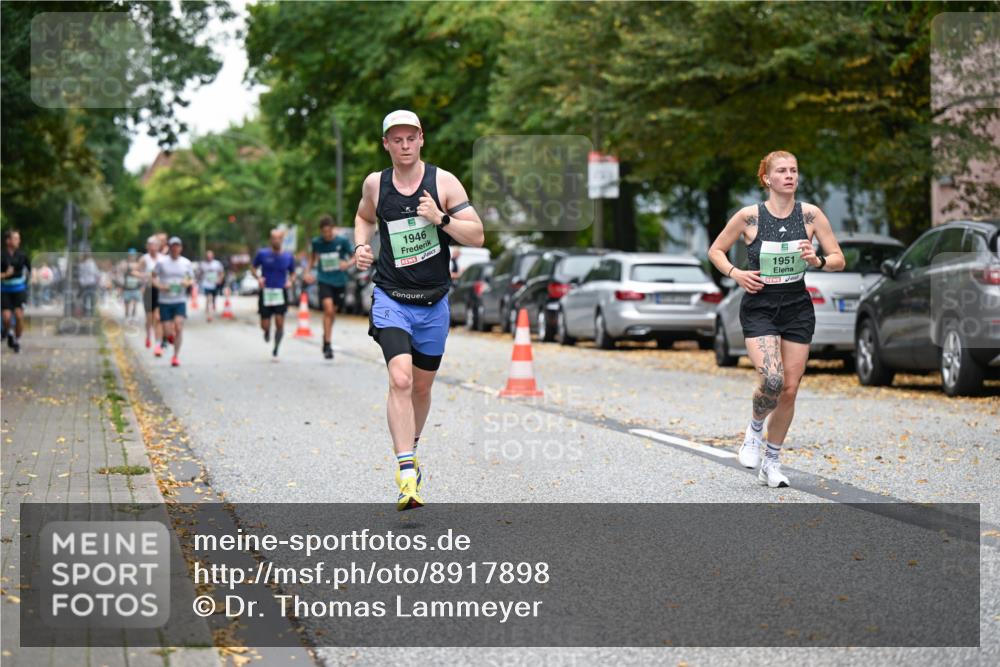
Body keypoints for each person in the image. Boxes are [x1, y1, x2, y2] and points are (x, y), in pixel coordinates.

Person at [354, 110, 484, 511]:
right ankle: (406, 470)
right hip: (392, 298)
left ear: (421, 139)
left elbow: (477, 235)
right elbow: (362, 217)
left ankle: (411, 448)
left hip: (434, 303)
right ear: (386, 144)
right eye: (397, 139)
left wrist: (440, 218)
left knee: (422, 388)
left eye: (411, 138)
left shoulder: (442, 182)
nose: (405, 145)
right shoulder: (376, 184)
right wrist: (361, 246)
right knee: (401, 378)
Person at [708, 150, 844, 488]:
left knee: (789, 389)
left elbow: (839, 258)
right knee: (771, 379)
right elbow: (715, 250)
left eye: (794, 170)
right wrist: (736, 273)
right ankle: (754, 430)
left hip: (797, 305)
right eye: (781, 171)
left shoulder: (811, 215)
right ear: (767, 178)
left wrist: (818, 260)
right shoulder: (749, 217)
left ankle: (772, 461)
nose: (789, 176)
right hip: (760, 305)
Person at [305, 216, 355, 359]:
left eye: (329, 231)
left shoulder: (342, 241)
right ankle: (327, 343)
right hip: (324, 279)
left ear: (332, 229)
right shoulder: (316, 242)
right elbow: (312, 259)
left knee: (332, 312)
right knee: (327, 309)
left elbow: (355, 256)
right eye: (324, 232)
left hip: (339, 281)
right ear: (321, 231)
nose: (327, 234)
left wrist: (348, 264)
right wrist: (307, 272)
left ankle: (326, 332)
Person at [250, 229, 296, 360]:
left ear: (282, 240)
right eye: (273, 238)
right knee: (264, 324)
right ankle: (266, 331)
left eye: (278, 238)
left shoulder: (288, 256)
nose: (276, 240)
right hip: (266, 291)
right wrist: (258, 278)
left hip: (280, 291)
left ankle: (276, 347)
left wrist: (290, 281)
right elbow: (253, 268)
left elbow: (292, 273)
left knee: (280, 322)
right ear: (270, 239)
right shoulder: (262, 254)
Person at [152, 237, 194, 367]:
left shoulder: (186, 263)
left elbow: (191, 279)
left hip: (179, 300)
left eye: (177, 246)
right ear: (169, 248)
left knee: (179, 326)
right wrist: (160, 286)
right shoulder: (162, 262)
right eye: (173, 246)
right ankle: (168, 337)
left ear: (181, 248)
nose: (175, 248)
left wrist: (186, 283)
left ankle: (175, 357)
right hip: (165, 301)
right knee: (167, 330)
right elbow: (153, 277)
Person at [1, 230, 31, 352]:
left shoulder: (23, 255)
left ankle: (17, 340)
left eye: (19, 238)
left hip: (19, 290)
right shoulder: (1, 256)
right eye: (15, 238)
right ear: (8, 241)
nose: (18, 241)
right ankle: (10, 333)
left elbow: (30, 271)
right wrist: (5, 275)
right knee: (6, 317)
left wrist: (28, 281)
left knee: (19, 316)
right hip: (5, 290)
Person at [139, 236, 163, 355]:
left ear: (158, 246)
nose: (153, 248)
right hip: (148, 290)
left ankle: (158, 344)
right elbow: (134, 271)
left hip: (160, 289)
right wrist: (144, 276)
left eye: (155, 245)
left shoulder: (163, 258)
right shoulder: (144, 259)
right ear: (147, 247)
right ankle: (148, 335)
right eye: (151, 245)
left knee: (157, 318)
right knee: (149, 318)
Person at [198, 250, 225, 322]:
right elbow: (200, 273)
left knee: (213, 298)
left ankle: (212, 307)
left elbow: (221, 273)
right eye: (207, 256)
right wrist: (199, 279)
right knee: (208, 298)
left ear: (213, 256)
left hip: (215, 284)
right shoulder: (203, 264)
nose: (209, 257)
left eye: (210, 256)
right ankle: (209, 314)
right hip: (206, 284)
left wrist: (220, 280)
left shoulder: (217, 263)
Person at [122, 248, 143, 323]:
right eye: (131, 255)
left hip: (136, 287)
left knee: (135, 303)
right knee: (127, 303)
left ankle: (133, 316)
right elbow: (122, 273)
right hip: (127, 287)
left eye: (133, 255)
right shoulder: (125, 263)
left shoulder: (138, 264)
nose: (132, 256)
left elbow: (141, 275)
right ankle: (127, 316)